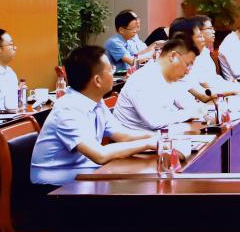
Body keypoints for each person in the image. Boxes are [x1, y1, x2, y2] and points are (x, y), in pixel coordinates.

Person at [30, 46, 168, 185]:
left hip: (83, 168)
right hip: (53, 182)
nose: (113, 73)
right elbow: (100, 155)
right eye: (111, 69)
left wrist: (159, 137)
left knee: (137, 174)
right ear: (97, 80)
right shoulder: (67, 110)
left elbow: (123, 135)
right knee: (130, 181)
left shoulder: (96, 100)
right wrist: (147, 143)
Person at [113, 33, 203, 131]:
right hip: (135, 138)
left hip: (158, 135)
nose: (188, 71)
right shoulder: (144, 78)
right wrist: (189, 113)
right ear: (173, 56)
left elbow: (188, 105)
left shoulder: (169, 77)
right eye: (187, 64)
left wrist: (194, 111)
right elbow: (155, 121)